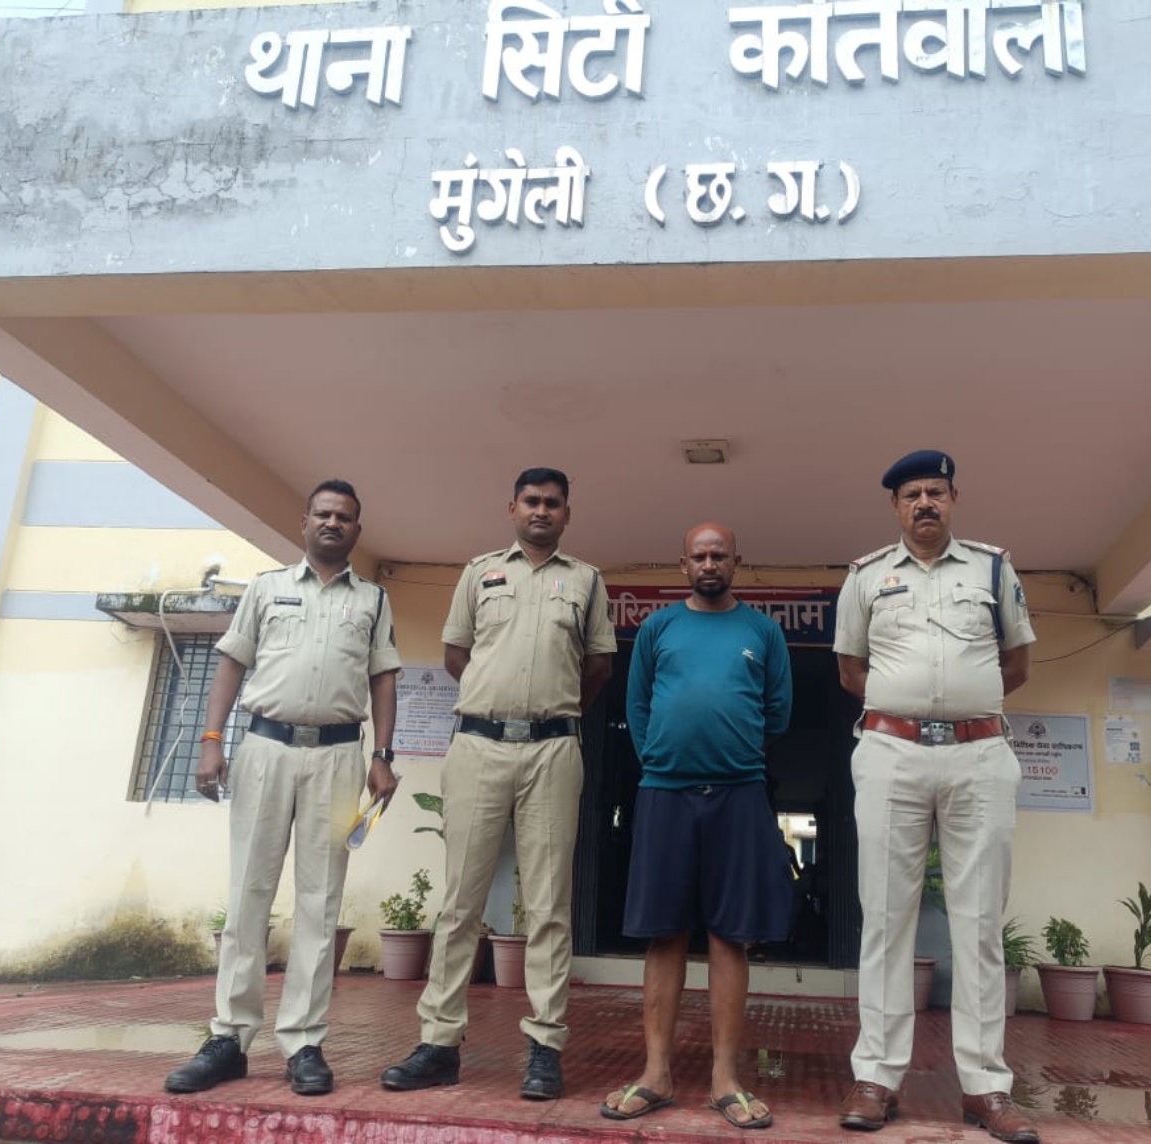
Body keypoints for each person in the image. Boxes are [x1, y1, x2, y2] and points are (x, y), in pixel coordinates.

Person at [381, 467, 615, 1100]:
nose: (541, 511)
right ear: (512, 507)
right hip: (478, 747)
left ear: (567, 513)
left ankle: (544, 1047)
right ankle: (438, 1044)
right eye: (531, 501)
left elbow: (598, 665)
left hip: (553, 751)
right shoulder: (478, 573)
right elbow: (456, 654)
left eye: (553, 503)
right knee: (460, 900)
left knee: (549, 905)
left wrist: (550, 710)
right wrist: (497, 699)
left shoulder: (586, 580)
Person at [164, 479, 401, 1098]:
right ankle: (228, 1038)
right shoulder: (266, 588)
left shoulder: (373, 599)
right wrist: (211, 741)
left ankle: (303, 1042)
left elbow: (383, 679)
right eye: (323, 514)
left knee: (321, 902)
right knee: (248, 892)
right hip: (264, 749)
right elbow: (232, 661)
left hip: (339, 756)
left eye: (344, 517)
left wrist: (382, 756)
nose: (332, 523)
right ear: (304, 522)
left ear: (357, 530)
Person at [833, 451, 1038, 1142]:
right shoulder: (866, 576)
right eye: (912, 494)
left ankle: (985, 1088)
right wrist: (909, 711)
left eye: (936, 492)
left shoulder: (992, 569)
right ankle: (876, 1078)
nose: (925, 503)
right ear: (895, 507)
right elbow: (851, 670)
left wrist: (958, 710)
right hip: (891, 754)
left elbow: (1016, 664)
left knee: (978, 924)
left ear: (953, 499)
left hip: (979, 755)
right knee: (885, 917)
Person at [600, 522, 793, 1131]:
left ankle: (724, 1080)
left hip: (740, 793)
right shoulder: (657, 628)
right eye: (699, 556)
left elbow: (778, 712)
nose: (710, 564)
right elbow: (636, 705)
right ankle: (655, 1075)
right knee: (664, 934)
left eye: (720, 555)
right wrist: (665, 755)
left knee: (730, 937)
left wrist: (730, 751)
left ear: (737, 561)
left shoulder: (763, 631)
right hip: (665, 792)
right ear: (682, 565)